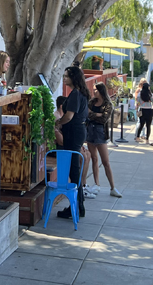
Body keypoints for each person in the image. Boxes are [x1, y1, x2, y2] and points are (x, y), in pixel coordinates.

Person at [55, 66, 89, 219]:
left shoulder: (75, 94)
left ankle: (76, 206)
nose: (64, 78)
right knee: (74, 170)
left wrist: (58, 123)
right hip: (77, 132)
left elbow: (69, 116)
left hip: (73, 132)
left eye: (67, 76)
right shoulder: (79, 93)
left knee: (74, 171)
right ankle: (78, 205)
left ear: (74, 78)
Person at [86, 83, 122, 197]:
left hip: (100, 132)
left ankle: (112, 187)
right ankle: (97, 184)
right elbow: (86, 115)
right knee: (94, 158)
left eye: (96, 90)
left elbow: (104, 119)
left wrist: (93, 114)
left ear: (101, 91)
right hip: (90, 131)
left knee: (105, 161)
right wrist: (96, 114)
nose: (94, 92)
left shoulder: (108, 104)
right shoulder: (91, 102)